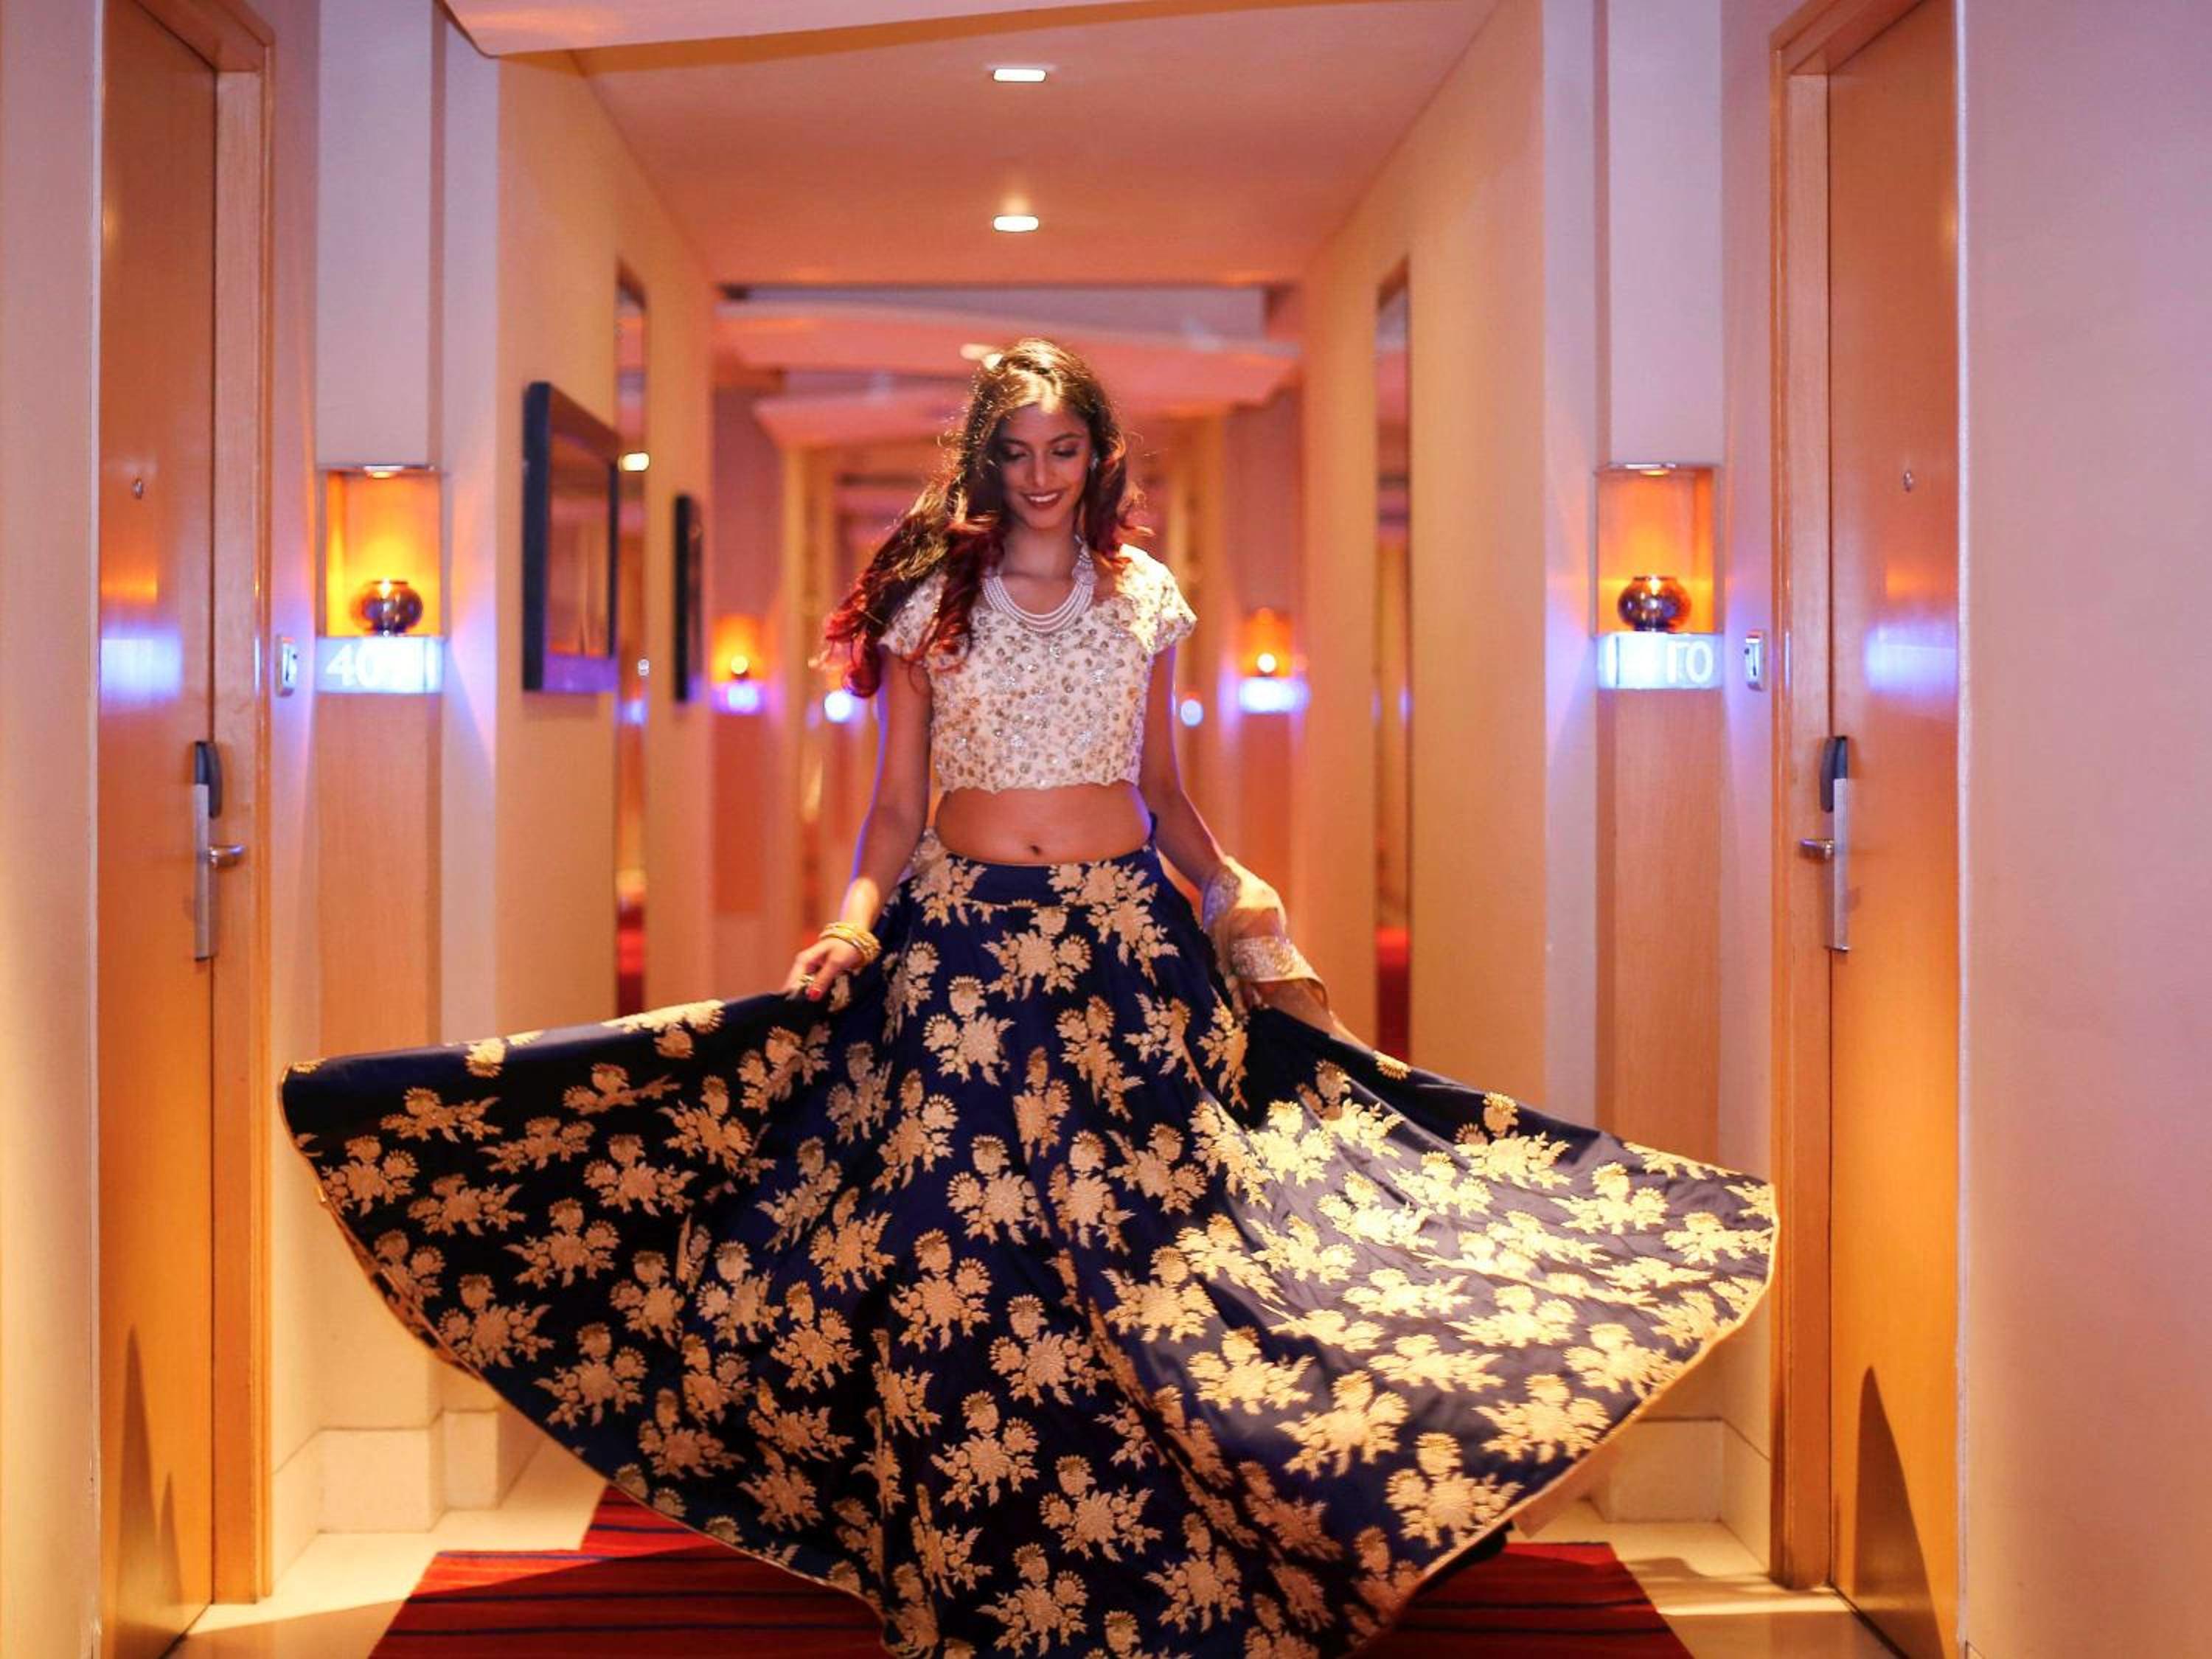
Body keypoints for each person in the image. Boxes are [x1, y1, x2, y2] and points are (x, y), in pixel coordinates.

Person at [283, 338, 1775, 1658]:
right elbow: (893, 808)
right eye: (1018, 450)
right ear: (985, 461)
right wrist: (852, 924)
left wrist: (1243, 908)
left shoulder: (1145, 596)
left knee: (1158, 1257)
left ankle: (1176, 1552)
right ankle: (973, 1573)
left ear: (1098, 457)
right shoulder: (929, 600)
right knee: (959, 1261)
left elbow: (1166, 791)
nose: (1045, 474)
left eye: (1067, 449)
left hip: (1126, 952)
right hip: (963, 959)